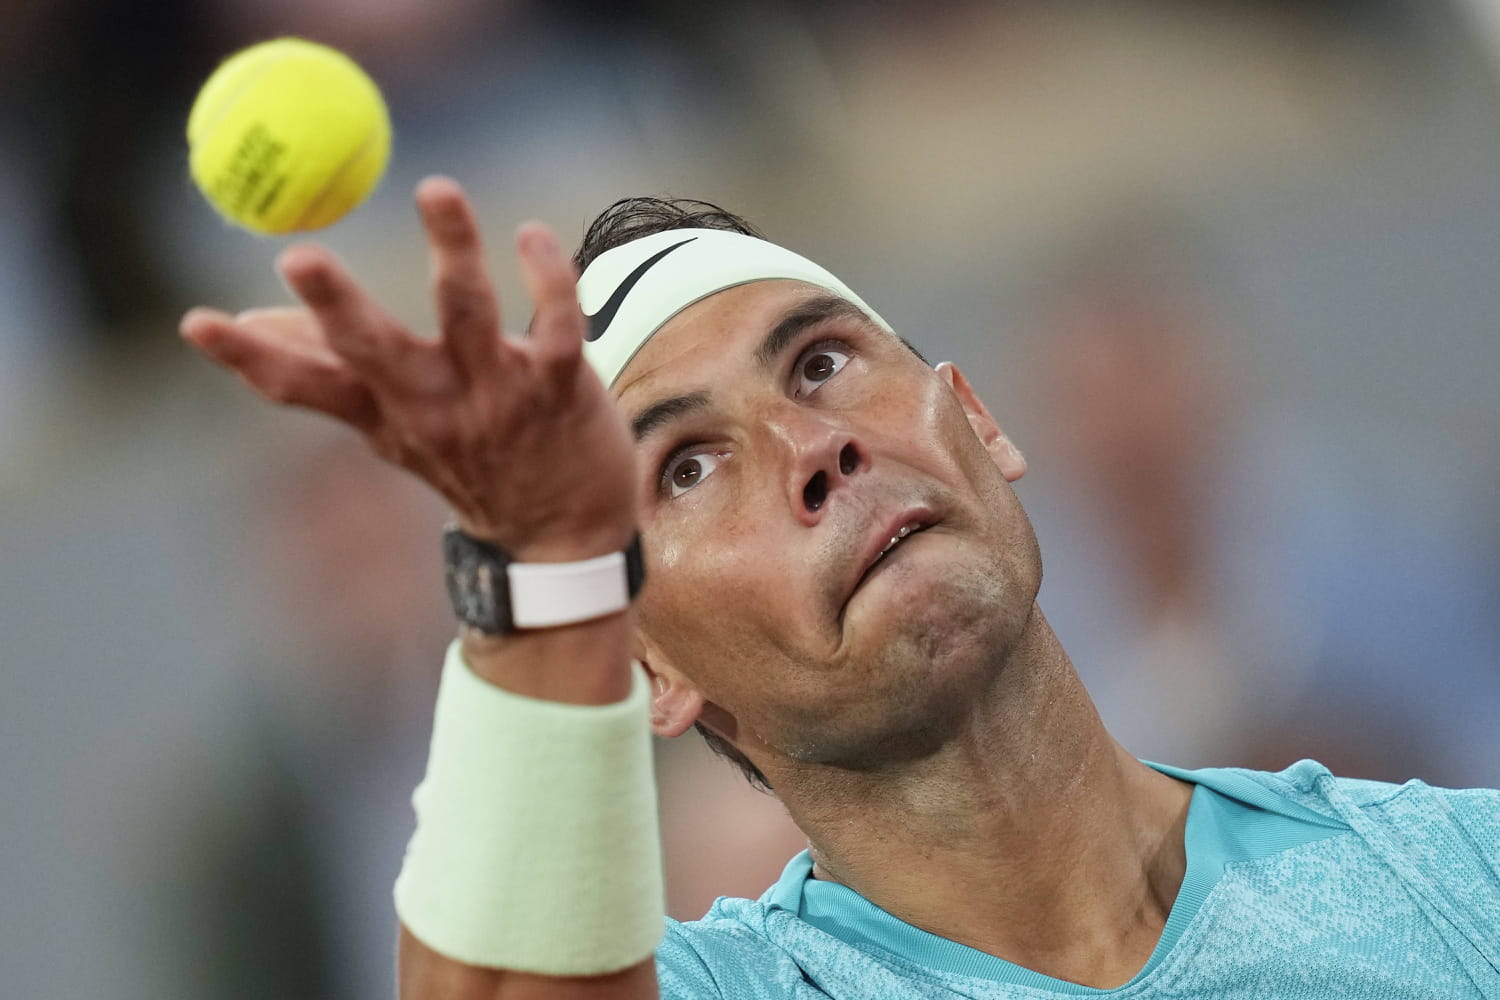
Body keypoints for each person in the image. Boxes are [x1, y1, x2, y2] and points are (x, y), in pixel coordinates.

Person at [180, 179, 1500, 999]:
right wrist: (536, 560)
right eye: (687, 466)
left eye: (819, 366)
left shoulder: (1460, 881)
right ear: (646, 668)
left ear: (979, 425)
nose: (816, 452)